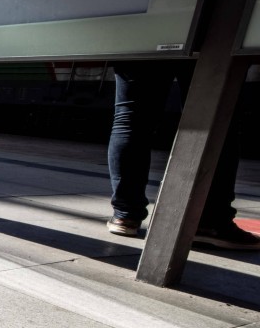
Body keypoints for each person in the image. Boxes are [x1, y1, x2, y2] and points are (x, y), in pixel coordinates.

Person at [106, 61, 258, 249]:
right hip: (208, 38)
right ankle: (210, 222)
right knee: (216, 119)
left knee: (131, 119)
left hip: (144, 37)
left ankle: (125, 215)